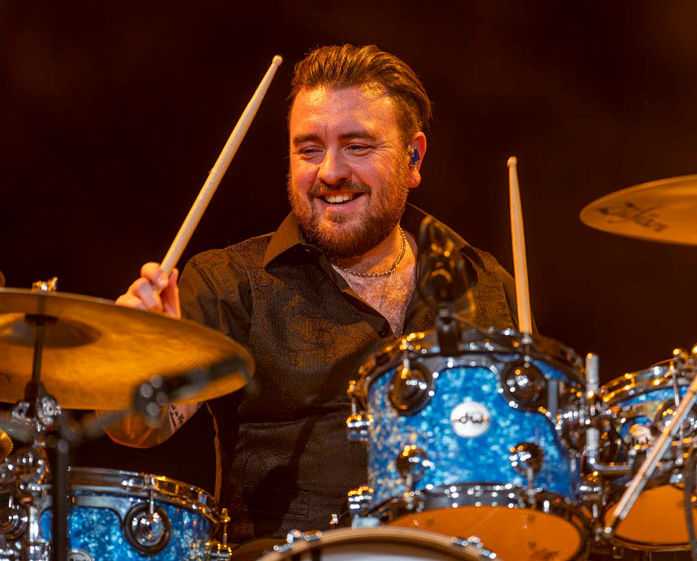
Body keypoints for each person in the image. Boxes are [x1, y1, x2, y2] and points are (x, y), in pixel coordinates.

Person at [108, 44, 523, 543]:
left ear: (413, 158)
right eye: (308, 149)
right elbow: (138, 427)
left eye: (357, 146)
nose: (329, 172)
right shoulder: (231, 282)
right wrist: (131, 360)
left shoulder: (485, 283)